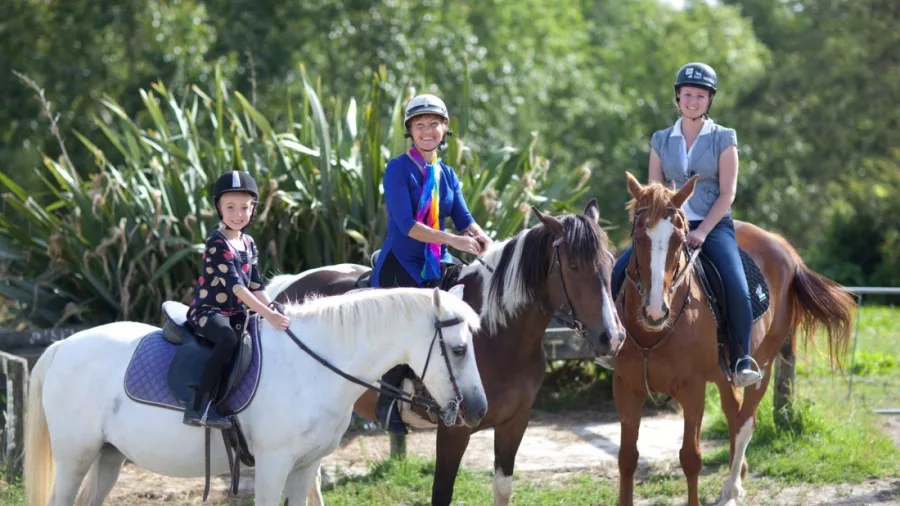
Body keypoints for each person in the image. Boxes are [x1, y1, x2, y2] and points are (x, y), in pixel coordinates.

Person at [611, 62, 763, 388]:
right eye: (687, 95)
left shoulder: (724, 138)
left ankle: (741, 359)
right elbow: (654, 191)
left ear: (709, 101)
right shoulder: (661, 139)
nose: (693, 101)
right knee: (616, 273)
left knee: (737, 287)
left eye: (700, 96)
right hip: (665, 226)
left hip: (712, 225)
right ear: (678, 98)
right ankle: (611, 345)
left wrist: (702, 232)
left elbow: (727, 193)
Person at [371, 93, 492, 434]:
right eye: (419, 125)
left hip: (437, 260)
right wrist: (455, 241)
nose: (427, 131)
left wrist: (486, 244)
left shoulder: (447, 173)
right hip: (402, 263)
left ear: (444, 130)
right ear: (410, 131)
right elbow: (407, 225)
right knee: (404, 328)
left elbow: (464, 217)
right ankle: (387, 402)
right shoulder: (397, 169)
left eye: (434, 124)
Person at [184, 170, 291, 429]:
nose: (238, 214)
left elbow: (255, 285)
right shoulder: (216, 243)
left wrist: (275, 308)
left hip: (237, 314)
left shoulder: (249, 243)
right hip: (210, 312)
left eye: (244, 207)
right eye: (230, 207)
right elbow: (238, 289)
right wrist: (268, 315)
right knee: (228, 340)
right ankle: (199, 405)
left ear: (253, 209)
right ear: (219, 209)